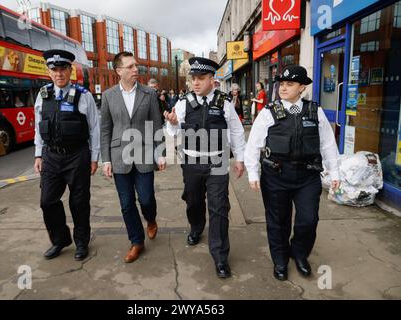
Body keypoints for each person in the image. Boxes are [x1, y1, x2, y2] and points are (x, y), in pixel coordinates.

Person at [244, 65, 341, 281]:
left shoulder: (315, 111)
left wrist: (335, 171)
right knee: (278, 221)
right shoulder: (269, 112)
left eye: (290, 84)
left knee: (308, 219)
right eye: (282, 84)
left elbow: (327, 143)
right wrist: (252, 172)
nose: (283, 88)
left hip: (307, 176)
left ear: (302, 88)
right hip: (276, 175)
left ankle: (299, 254)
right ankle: (280, 259)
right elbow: (253, 144)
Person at [164, 57, 246, 278]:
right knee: (193, 201)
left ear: (212, 79)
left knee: (219, 208)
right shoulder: (183, 103)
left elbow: (237, 132)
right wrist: (172, 123)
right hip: (191, 162)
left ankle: (220, 257)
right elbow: (172, 132)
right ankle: (196, 227)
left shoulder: (225, 103)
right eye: (193, 79)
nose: (196, 83)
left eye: (201, 78)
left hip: (218, 162)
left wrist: (240, 158)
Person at [33, 49, 100, 261]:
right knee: (47, 201)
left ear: (70, 70)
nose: (59, 74)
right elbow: (38, 127)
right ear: (48, 72)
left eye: (63, 69)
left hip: (77, 156)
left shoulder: (83, 95)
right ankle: (60, 239)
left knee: (79, 202)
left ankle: (81, 242)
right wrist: (38, 155)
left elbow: (94, 128)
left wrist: (94, 157)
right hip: (51, 156)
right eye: (54, 70)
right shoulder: (43, 95)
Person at [101, 52, 166, 263]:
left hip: (145, 154)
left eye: (136, 65)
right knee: (127, 203)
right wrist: (106, 160)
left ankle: (151, 219)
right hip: (119, 156)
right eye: (130, 66)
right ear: (118, 71)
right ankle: (136, 242)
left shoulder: (149, 94)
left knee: (146, 198)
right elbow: (105, 130)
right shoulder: (109, 96)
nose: (135, 69)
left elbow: (157, 125)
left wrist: (161, 153)